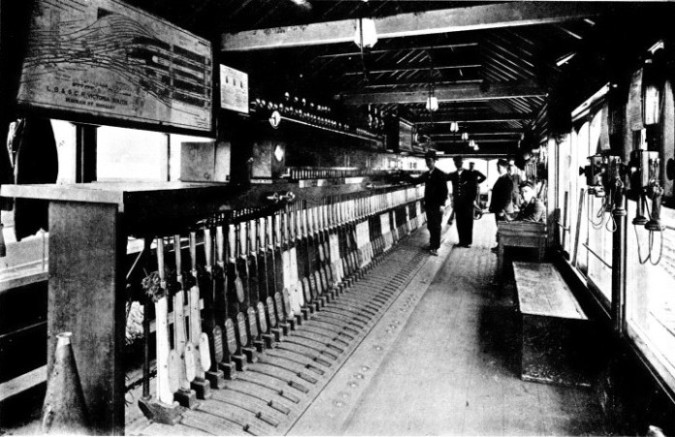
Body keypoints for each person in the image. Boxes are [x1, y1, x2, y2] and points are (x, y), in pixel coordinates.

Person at [417, 150, 449, 256]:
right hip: (429, 205)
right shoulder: (427, 174)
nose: (428, 163)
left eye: (430, 161)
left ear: (434, 161)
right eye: (426, 161)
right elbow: (416, 180)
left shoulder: (440, 174)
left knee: (436, 226)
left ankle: (435, 247)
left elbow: (445, 191)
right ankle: (432, 244)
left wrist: (442, 204)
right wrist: (402, 176)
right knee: (430, 226)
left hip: (437, 205)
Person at [448, 156, 485, 248]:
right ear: (454, 164)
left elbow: (474, 188)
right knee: (459, 222)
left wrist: (471, 200)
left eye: (459, 162)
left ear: (462, 163)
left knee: (468, 222)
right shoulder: (453, 175)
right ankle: (461, 241)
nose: (458, 164)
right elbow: (443, 178)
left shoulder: (469, 174)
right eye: (456, 162)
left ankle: (467, 242)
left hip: (467, 203)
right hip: (458, 203)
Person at [489, 159, 514, 253]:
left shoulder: (507, 179)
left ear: (504, 167)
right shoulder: (502, 178)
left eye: (498, 167)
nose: (497, 169)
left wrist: (501, 209)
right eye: (497, 167)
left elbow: (507, 197)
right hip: (499, 208)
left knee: (503, 229)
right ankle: (500, 245)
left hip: (503, 210)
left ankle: (503, 247)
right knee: (500, 228)